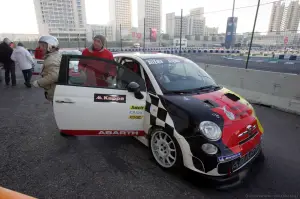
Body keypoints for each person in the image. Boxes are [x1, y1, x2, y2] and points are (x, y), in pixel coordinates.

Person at [32, 35, 62, 103]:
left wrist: (38, 82)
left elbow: (54, 76)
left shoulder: (52, 59)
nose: (40, 48)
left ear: (51, 46)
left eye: (43, 46)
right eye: (40, 45)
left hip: (54, 91)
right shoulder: (55, 55)